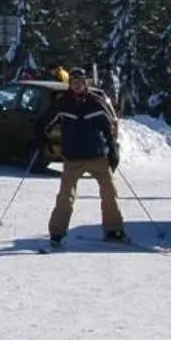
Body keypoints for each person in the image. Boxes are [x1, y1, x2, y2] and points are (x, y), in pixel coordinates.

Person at [38, 69, 124, 247]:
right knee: (65, 197)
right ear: (70, 84)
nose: (77, 85)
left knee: (109, 193)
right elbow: (45, 121)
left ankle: (113, 229)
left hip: (97, 156)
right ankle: (56, 233)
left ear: (86, 83)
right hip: (72, 158)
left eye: (80, 82)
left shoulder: (96, 102)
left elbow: (109, 128)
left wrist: (113, 150)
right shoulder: (63, 104)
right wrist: (41, 136)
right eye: (74, 82)